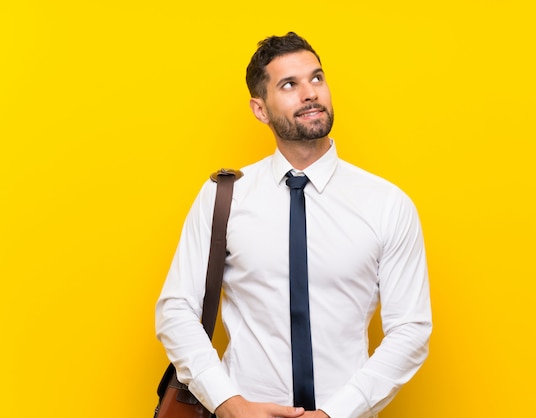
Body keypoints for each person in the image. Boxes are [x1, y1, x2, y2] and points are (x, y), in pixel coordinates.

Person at [156, 32, 432, 418]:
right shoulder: (224, 197)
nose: (310, 93)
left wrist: (338, 412)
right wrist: (230, 404)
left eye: (317, 78)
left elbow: (411, 329)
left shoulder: (387, 204)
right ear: (260, 109)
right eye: (289, 84)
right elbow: (176, 309)